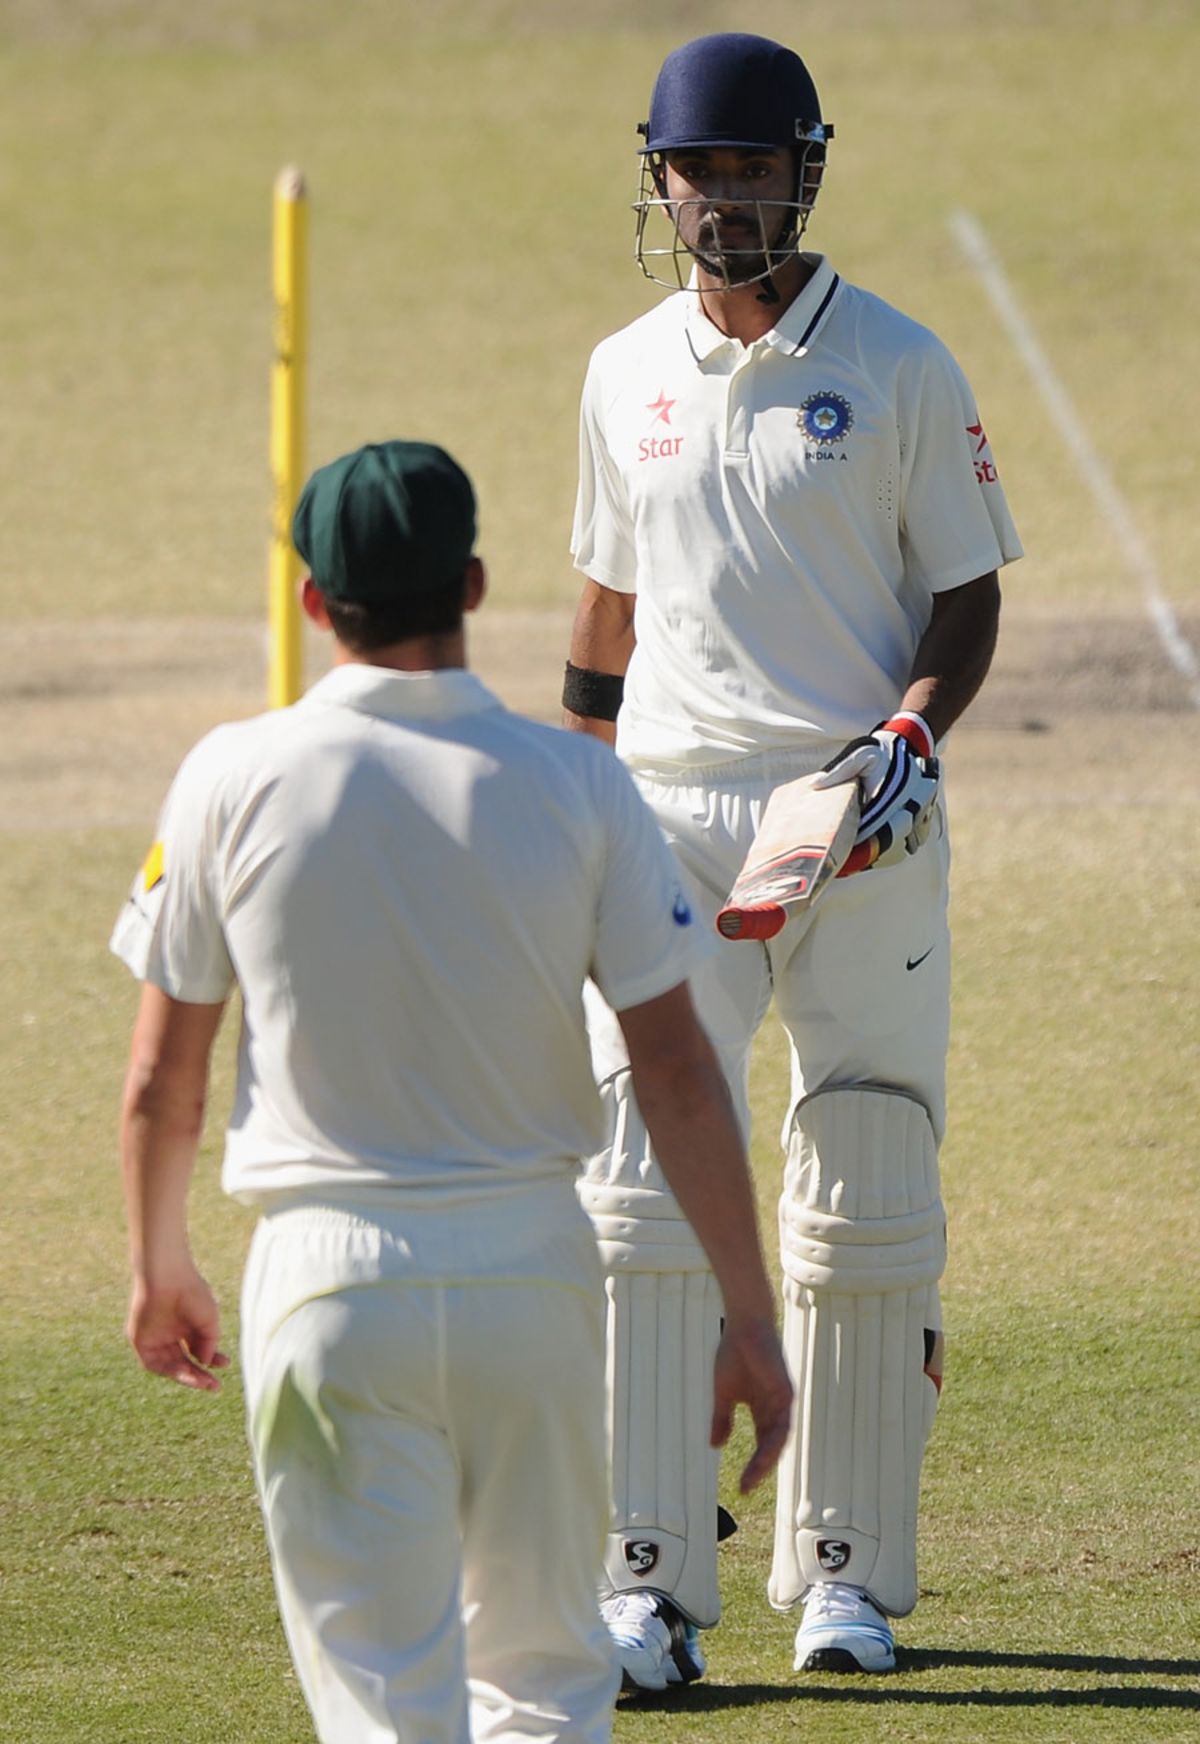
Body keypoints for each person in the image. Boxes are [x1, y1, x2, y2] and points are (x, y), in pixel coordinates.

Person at [111, 438, 793, 1744]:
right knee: (545, 1688)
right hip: (535, 1285)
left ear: (315, 603)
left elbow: (161, 1081)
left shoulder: (227, 778)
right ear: (473, 585)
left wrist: (159, 1263)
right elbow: (680, 1075)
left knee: (382, 1706)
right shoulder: (581, 782)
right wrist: (749, 1314)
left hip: (325, 1292)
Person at [562, 32, 1023, 1686]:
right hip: (674, 821)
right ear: (661, 177)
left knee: (868, 1172)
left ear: (804, 171)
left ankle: (847, 1576)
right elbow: (609, 604)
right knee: (638, 1187)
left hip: (861, 820)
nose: (726, 198)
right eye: (702, 171)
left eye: (756, 168)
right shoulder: (624, 370)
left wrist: (905, 739)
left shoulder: (900, 364)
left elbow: (966, 596)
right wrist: (576, 779)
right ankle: (645, 1580)